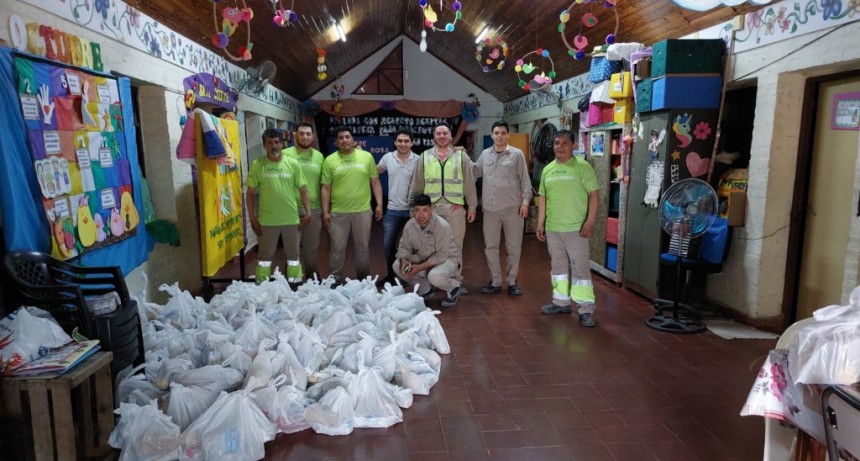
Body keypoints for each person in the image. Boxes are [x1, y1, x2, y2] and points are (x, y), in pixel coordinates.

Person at [535, 130, 599, 327]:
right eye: (556, 143)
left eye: (564, 143)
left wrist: (589, 222)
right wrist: (540, 223)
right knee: (558, 267)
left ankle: (585, 308)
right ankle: (561, 301)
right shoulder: (548, 170)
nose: (559, 147)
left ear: (573, 146)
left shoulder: (583, 167)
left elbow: (594, 196)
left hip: (575, 229)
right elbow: (543, 199)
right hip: (553, 229)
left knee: (580, 268)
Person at [408, 122, 477, 291]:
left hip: (455, 209)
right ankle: (432, 278)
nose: (441, 136)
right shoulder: (424, 156)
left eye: (445, 133)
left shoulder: (461, 157)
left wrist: (472, 206)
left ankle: (456, 281)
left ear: (451, 136)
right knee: (430, 245)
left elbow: (469, 183)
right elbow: (416, 184)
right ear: (434, 136)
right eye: (438, 133)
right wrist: (413, 208)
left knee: (456, 246)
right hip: (432, 210)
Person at [473, 120, 532, 296]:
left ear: (508, 135)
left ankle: (512, 281)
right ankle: (496, 281)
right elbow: (475, 171)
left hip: (512, 209)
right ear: (492, 135)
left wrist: (525, 203)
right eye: (496, 133)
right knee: (490, 247)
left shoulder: (516, 154)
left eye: (503, 133)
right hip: (490, 211)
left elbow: (525, 181)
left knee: (514, 247)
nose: (499, 136)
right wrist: (460, 158)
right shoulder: (485, 154)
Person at [247, 128, 311, 284]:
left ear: (282, 144)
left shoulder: (293, 164)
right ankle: (262, 289)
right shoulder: (257, 165)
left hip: (291, 219)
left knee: (293, 258)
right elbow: (249, 194)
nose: (274, 146)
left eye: (277, 142)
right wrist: (252, 219)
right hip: (267, 221)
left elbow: (303, 190)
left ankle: (294, 288)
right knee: (264, 259)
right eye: (269, 142)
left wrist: (308, 212)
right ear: (264, 145)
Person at [321, 126, 383, 282]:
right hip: (338, 212)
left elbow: (375, 182)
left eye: (347, 137)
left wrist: (379, 204)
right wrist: (325, 211)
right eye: (341, 138)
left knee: (362, 247)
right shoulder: (330, 160)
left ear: (353, 140)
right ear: (336, 142)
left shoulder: (366, 157)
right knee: (337, 248)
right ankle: (333, 280)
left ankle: (363, 280)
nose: (344, 140)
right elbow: (326, 188)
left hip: (362, 211)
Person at [394, 194, 462, 307]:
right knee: (397, 265)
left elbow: (441, 255)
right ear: (413, 211)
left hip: (448, 259)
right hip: (424, 257)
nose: (421, 215)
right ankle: (425, 290)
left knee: (434, 276)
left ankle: (454, 287)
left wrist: (419, 268)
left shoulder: (442, 226)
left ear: (431, 210)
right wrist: (404, 260)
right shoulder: (409, 225)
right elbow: (404, 247)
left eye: (425, 210)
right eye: (417, 210)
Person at [376, 128, 419, 285]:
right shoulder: (388, 158)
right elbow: (375, 172)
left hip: (412, 212)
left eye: (406, 141)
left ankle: (409, 276)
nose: (403, 144)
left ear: (412, 143)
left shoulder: (418, 160)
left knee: (412, 248)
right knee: (388, 246)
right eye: (400, 141)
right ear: (395, 142)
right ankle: (392, 275)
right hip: (392, 211)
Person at [283, 123, 325, 280]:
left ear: (313, 137)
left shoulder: (319, 157)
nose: (305, 137)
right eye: (302, 134)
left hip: (314, 208)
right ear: (295, 136)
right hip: (290, 208)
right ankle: (291, 279)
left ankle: (312, 277)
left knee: (312, 247)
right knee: (291, 248)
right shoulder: (285, 154)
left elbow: (323, 184)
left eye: (308, 134)